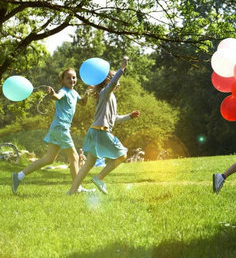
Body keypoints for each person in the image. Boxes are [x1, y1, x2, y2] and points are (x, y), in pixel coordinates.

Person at [67, 56, 140, 195]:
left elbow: (114, 119)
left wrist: (129, 117)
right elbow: (112, 84)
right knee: (123, 155)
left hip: (94, 131)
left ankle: (72, 191)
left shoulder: (109, 96)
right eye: (113, 78)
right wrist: (123, 67)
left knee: (88, 164)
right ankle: (99, 178)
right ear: (107, 80)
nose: (117, 82)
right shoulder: (105, 92)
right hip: (101, 131)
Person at [11, 68, 91, 194]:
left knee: (49, 159)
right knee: (74, 157)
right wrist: (52, 94)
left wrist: (87, 93)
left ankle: (19, 176)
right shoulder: (63, 91)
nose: (72, 80)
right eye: (68, 78)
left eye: (74, 77)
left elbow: (83, 103)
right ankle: (77, 189)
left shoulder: (74, 93)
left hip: (58, 128)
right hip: (60, 127)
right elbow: (57, 97)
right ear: (62, 81)